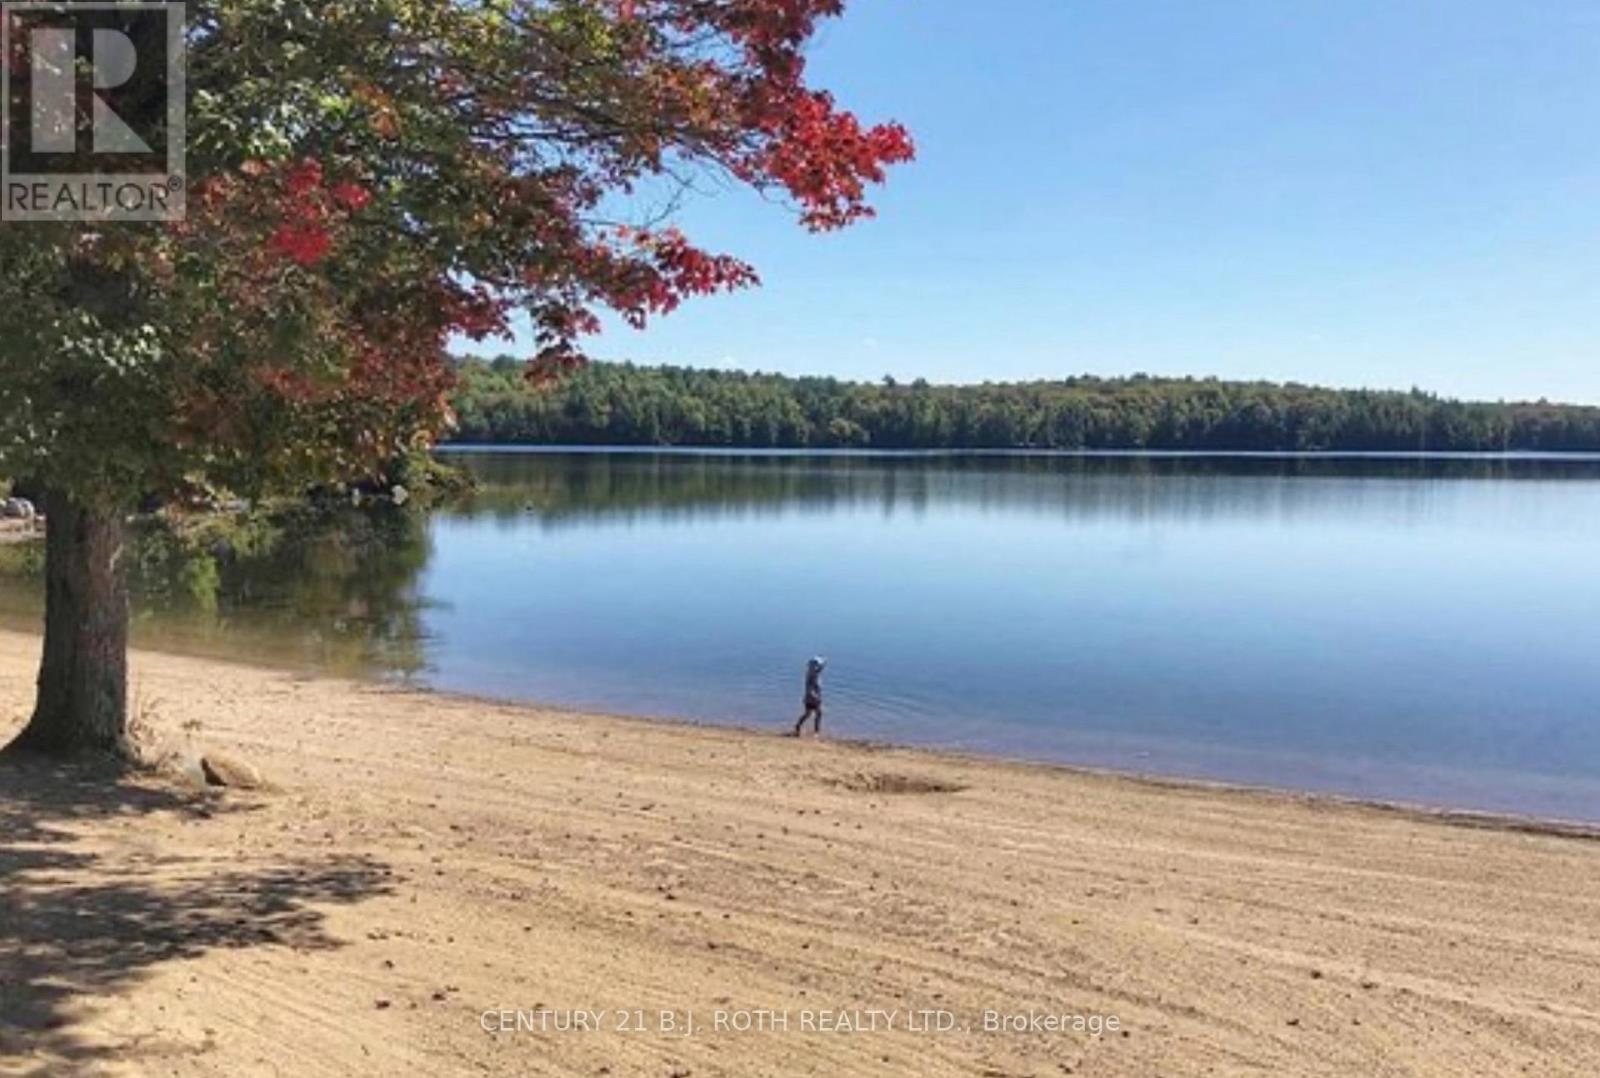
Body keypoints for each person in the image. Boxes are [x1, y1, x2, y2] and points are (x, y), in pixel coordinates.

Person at [792, 657, 826, 737]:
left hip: (813, 698)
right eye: (818, 666)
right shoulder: (811, 676)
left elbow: (821, 668)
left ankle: (799, 726)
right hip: (811, 699)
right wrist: (816, 698)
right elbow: (809, 689)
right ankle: (816, 732)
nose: (820, 668)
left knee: (810, 714)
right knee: (816, 714)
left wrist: (823, 665)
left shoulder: (815, 673)